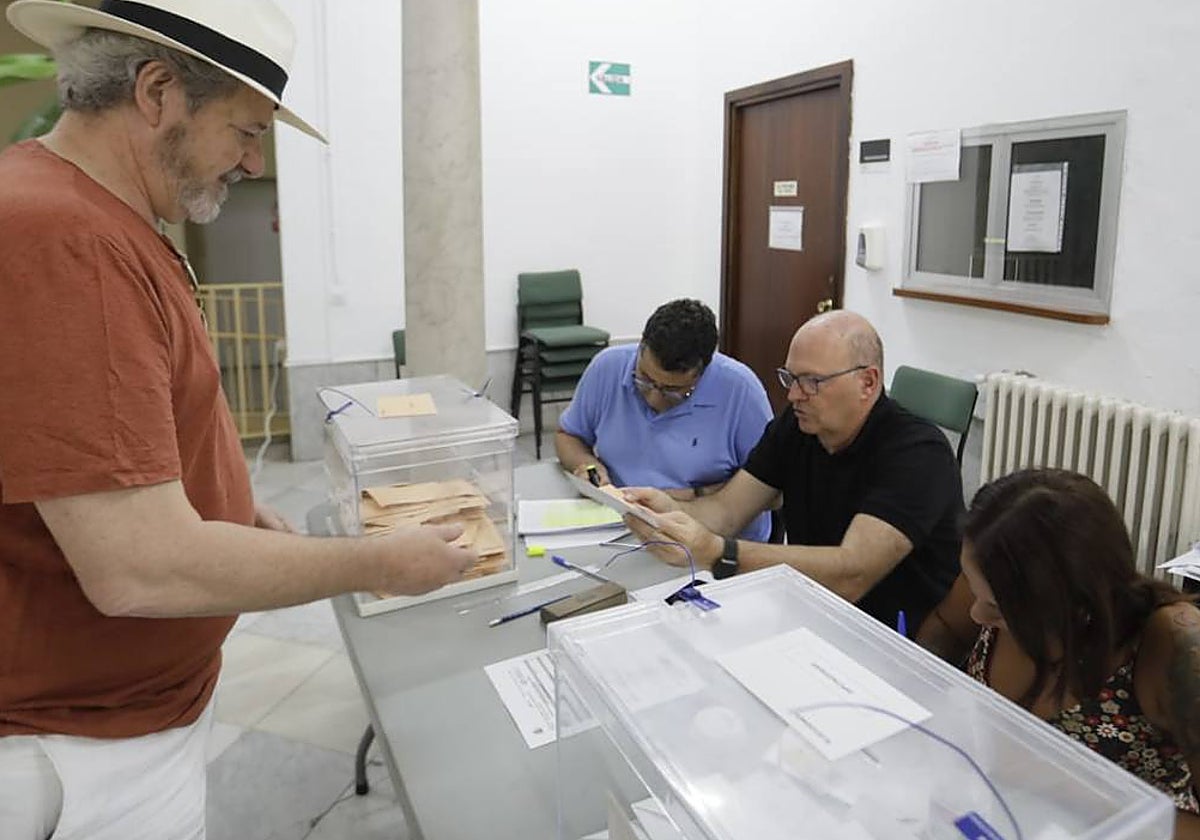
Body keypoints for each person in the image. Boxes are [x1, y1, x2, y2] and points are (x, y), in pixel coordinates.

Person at [0, 2, 475, 838]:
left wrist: (223, 507)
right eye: (246, 130)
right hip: (78, 749)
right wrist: (378, 562)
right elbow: (138, 570)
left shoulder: (97, 216)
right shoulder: (66, 239)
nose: (255, 160)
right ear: (156, 93)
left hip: (117, 718)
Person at [625, 310, 962, 630]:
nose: (794, 394)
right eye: (790, 377)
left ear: (868, 383)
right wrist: (668, 512)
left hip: (898, 638)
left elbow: (853, 574)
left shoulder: (917, 453)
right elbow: (727, 511)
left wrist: (719, 552)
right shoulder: (798, 428)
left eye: (812, 381)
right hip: (814, 614)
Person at [917, 469, 1200, 830]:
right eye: (976, 591)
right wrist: (925, 693)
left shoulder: (1171, 647)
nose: (977, 613)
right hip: (990, 808)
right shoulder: (994, 569)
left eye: (998, 609)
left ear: (1075, 610)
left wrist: (1079, 792)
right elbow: (946, 628)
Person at [555, 298, 774, 540]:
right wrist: (587, 465)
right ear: (641, 347)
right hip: (622, 530)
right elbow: (569, 435)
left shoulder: (740, 391)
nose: (654, 399)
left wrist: (695, 494)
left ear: (703, 372)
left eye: (673, 392)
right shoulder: (608, 367)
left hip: (712, 538)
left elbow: (773, 492)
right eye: (644, 380)